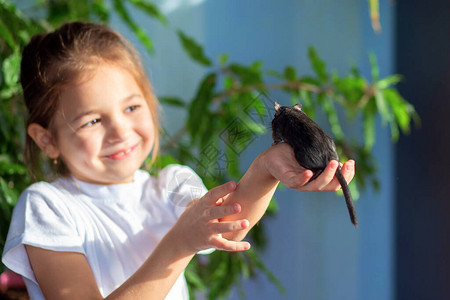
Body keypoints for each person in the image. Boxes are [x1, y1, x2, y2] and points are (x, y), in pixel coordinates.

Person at [1, 22, 355, 300]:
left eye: (131, 108)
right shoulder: (46, 208)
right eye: (92, 120)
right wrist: (179, 243)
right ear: (47, 140)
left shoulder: (172, 183)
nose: (120, 131)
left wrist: (267, 167)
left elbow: (229, 222)